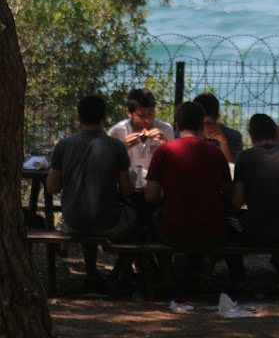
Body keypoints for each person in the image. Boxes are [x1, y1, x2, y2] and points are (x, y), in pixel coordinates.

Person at [46, 95, 137, 290]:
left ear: (79, 118)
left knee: (85, 211)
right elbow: (127, 190)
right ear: (104, 116)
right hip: (108, 222)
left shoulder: (63, 145)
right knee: (135, 218)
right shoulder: (116, 146)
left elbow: (51, 187)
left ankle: (92, 273)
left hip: (73, 222)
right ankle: (124, 271)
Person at [145, 101, 232, 288]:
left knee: (151, 219)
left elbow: (150, 197)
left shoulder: (163, 151)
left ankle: (167, 275)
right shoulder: (216, 153)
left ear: (177, 126)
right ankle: (207, 274)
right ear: (202, 126)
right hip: (211, 232)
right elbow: (228, 192)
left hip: (173, 232)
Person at [232, 113, 279, 290]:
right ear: (276, 134)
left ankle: (238, 278)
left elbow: (237, 202)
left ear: (251, 136)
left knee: (228, 224)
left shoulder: (245, 156)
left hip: (253, 233)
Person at [109, 88, 174, 172]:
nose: (147, 120)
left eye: (150, 114)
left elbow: (172, 166)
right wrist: (123, 149)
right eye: (141, 115)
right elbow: (109, 166)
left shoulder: (165, 129)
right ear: (129, 113)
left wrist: (165, 145)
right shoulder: (117, 132)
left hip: (155, 184)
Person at [193, 92, 243, 162]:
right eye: (200, 122)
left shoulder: (233, 136)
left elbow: (233, 167)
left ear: (217, 118)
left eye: (208, 123)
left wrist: (223, 142)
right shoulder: (185, 133)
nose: (203, 127)